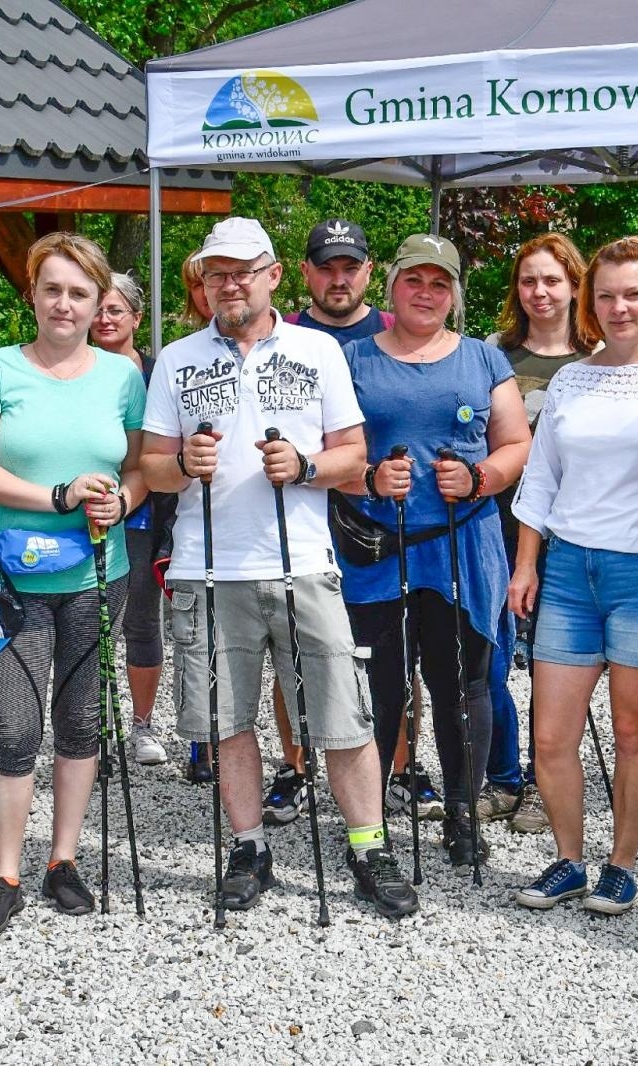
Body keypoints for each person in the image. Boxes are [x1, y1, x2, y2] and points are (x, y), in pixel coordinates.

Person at [140, 216, 418, 919]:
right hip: (209, 568)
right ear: (202, 285)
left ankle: (366, 847)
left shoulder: (317, 349)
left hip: (305, 564)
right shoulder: (176, 359)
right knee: (226, 717)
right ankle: (250, 848)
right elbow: (148, 466)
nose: (228, 284)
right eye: (215, 274)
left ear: (272, 276)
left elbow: (354, 456)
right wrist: (179, 466)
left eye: (242, 271)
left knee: (342, 714)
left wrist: (305, 466)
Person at [0, 233, 148, 936]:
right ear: (32, 294)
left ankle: (61, 860)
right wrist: (58, 495)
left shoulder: (123, 378)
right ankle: (5, 872)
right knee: (14, 727)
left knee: (79, 724)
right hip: (13, 576)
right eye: (52, 289)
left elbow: (138, 471)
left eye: (79, 292)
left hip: (98, 575)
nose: (64, 304)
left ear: (100, 303)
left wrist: (122, 501)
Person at [509, 237, 638, 913]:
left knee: (629, 732)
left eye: (633, 294)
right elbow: (541, 476)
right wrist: (526, 562)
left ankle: (622, 862)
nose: (619, 308)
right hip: (567, 570)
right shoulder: (571, 379)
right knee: (551, 736)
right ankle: (568, 858)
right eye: (607, 295)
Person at [334, 233, 531, 867]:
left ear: (455, 294)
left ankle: (463, 810)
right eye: (415, 280)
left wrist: (481, 478)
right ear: (390, 286)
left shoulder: (484, 359)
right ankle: (370, 824)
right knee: (381, 687)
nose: (427, 292)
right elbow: (328, 451)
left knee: (462, 684)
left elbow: (516, 444)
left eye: (440, 282)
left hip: (462, 543)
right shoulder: (351, 359)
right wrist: (365, 477)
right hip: (378, 545)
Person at [265, 220, 405, 829]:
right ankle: (294, 769)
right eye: (327, 267)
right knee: (290, 651)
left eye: (350, 267)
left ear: (369, 272)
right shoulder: (281, 335)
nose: (339, 278)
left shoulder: (397, 333)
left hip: (375, 515)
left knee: (392, 654)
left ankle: (401, 767)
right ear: (305, 274)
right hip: (295, 516)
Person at [481, 232, 596, 835]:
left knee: (555, 666)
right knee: (490, 655)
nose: (540, 292)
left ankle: (539, 777)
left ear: (575, 285)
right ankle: (500, 776)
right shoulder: (490, 356)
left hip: (570, 532)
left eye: (552, 279)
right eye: (529, 280)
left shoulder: (601, 358)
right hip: (494, 528)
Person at [93, 272, 171, 768]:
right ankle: (94, 720)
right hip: (82, 513)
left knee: (141, 621)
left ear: (137, 318)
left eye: (114, 309)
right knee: (90, 624)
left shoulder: (156, 372)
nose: (103, 318)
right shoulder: (71, 365)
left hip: (142, 516)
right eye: (97, 308)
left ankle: (140, 723)